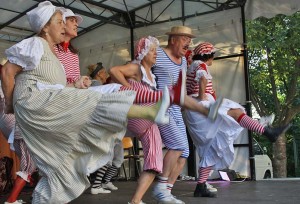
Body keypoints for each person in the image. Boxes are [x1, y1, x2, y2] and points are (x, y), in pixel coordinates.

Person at [0, 2, 170, 203]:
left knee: (60, 166)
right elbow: (7, 71)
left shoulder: (54, 55)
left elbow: (56, 89)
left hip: (47, 104)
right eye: (59, 22)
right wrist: (10, 104)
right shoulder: (35, 43)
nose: (63, 27)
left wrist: (77, 85)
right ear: (45, 27)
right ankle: (149, 112)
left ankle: (43, 197)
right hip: (33, 103)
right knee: (97, 97)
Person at [184, 42, 291, 197]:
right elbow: (202, 80)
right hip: (200, 106)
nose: (214, 57)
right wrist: (202, 97)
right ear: (208, 55)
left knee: (212, 147)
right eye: (213, 54)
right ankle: (267, 131)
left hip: (195, 109)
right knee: (234, 112)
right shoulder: (200, 64)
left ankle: (200, 186)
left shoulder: (192, 65)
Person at [150, 25, 211, 204]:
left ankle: (166, 191)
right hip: (160, 106)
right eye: (185, 38)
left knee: (184, 152)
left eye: (189, 39)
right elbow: (139, 72)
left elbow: (181, 91)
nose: (188, 42)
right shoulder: (158, 54)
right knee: (177, 144)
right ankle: (160, 188)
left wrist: (200, 107)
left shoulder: (184, 61)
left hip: (176, 108)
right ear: (173, 39)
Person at [1, 64, 37, 204]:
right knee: (29, 164)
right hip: (16, 122)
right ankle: (11, 201)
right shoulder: (13, 82)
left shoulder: (6, 82)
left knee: (31, 160)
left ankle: (38, 193)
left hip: (8, 121)